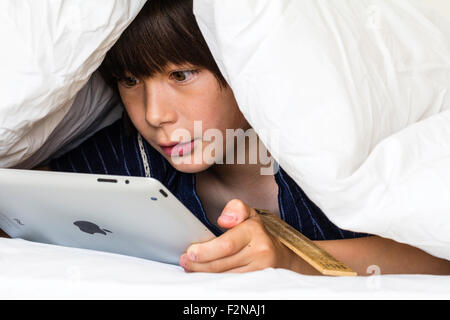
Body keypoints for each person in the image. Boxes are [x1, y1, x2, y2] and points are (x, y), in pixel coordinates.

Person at [38, 0, 449, 275]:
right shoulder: (129, 157)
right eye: (130, 80)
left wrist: (293, 260)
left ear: (242, 71)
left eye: (181, 75)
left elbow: (437, 255)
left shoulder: (337, 145)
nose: (154, 113)